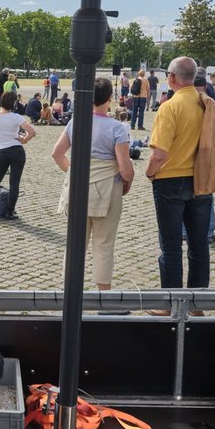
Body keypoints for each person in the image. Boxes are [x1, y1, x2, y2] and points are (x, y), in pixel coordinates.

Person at [146, 56, 215, 289]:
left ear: (171, 77)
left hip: (170, 180)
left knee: (170, 247)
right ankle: (197, 301)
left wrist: (150, 173)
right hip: (202, 178)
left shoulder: (170, 107)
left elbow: (159, 153)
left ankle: (169, 303)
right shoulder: (207, 104)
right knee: (199, 246)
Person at [50, 77, 133, 289]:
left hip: (78, 189)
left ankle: (71, 289)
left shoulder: (75, 121)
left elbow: (57, 153)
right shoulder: (117, 128)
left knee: (75, 244)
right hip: (107, 189)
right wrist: (128, 180)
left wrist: (74, 172)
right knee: (104, 243)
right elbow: (125, 168)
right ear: (110, 99)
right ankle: (104, 296)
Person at [0, 90, 36, 220]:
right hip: (17, 150)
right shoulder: (16, 117)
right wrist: (24, 139)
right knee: (14, 183)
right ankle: (10, 211)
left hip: (3, 150)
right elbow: (32, 131)